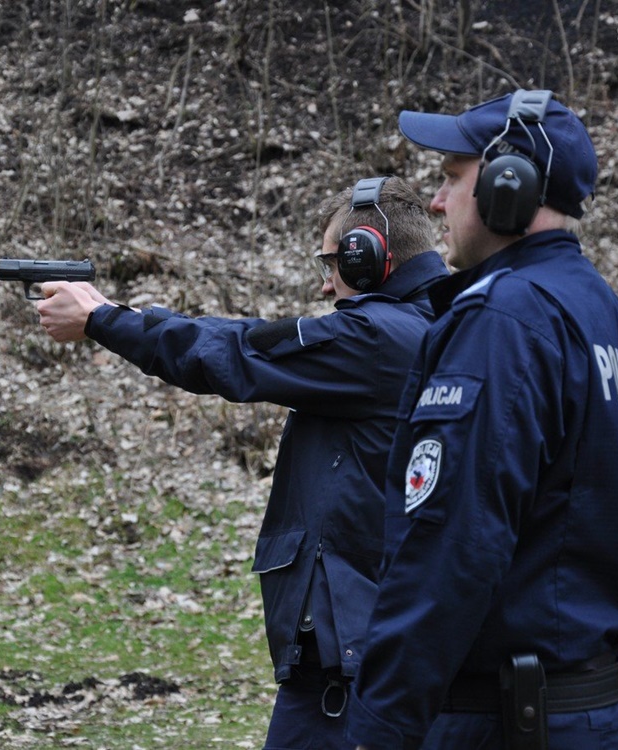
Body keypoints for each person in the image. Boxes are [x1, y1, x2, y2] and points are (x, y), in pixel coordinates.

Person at [35, 176, 450, 749]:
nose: (326, 285)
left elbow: (240, 350)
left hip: (349, 653)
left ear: (368, 257)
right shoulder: (437, 326)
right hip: (371, 636)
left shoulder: (380, 338)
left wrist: (107, 318)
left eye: (332, 263)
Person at [344, 91, 618, 750]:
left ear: (508, 183)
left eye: (451, 177)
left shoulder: (504, 322)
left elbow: (450, 546)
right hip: (600, 710)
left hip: (504, 721)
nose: (437, 202)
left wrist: (377, 729)